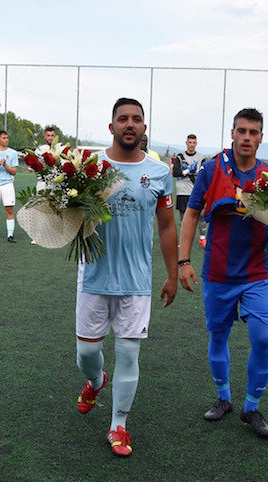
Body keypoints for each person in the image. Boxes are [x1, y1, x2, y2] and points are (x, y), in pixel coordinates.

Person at [179, 107, 268, 439]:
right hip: (218, 272)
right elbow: (191, 214)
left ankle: (252, 407)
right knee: (219, 336)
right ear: (232, 133)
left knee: (262, 338)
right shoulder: (212, 169)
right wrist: (183, 261)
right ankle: (224, 398)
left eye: (253, 132)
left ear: (261, 137)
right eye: (241, 131)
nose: (247, 137)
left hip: (258, 272)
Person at [74, 98, 177, 457]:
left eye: (136, 119)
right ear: (111, 126)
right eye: (123, 119)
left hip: (137, 280)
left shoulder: (160, 172)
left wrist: (173, 273)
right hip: (94, 275)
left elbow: (167, 227)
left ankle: (118, 425)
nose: (129, 124)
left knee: (129, 353)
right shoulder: (90, 166)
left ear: (144, 128)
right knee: (87, 353)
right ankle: (95, 380)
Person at [171, 134, 207, 247]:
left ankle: (202, 238)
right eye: (189, 142)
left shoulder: (201, 157)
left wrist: (197, 172)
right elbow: (175, 173)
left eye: (193, 142)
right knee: (183, 218)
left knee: (201, 216)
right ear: (186, 143)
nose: (191, 145)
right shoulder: (180, 157)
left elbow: (205, 174)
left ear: (196, 144)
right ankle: (183, 240)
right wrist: (186, 171)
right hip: (182, 192)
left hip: (196, 192)